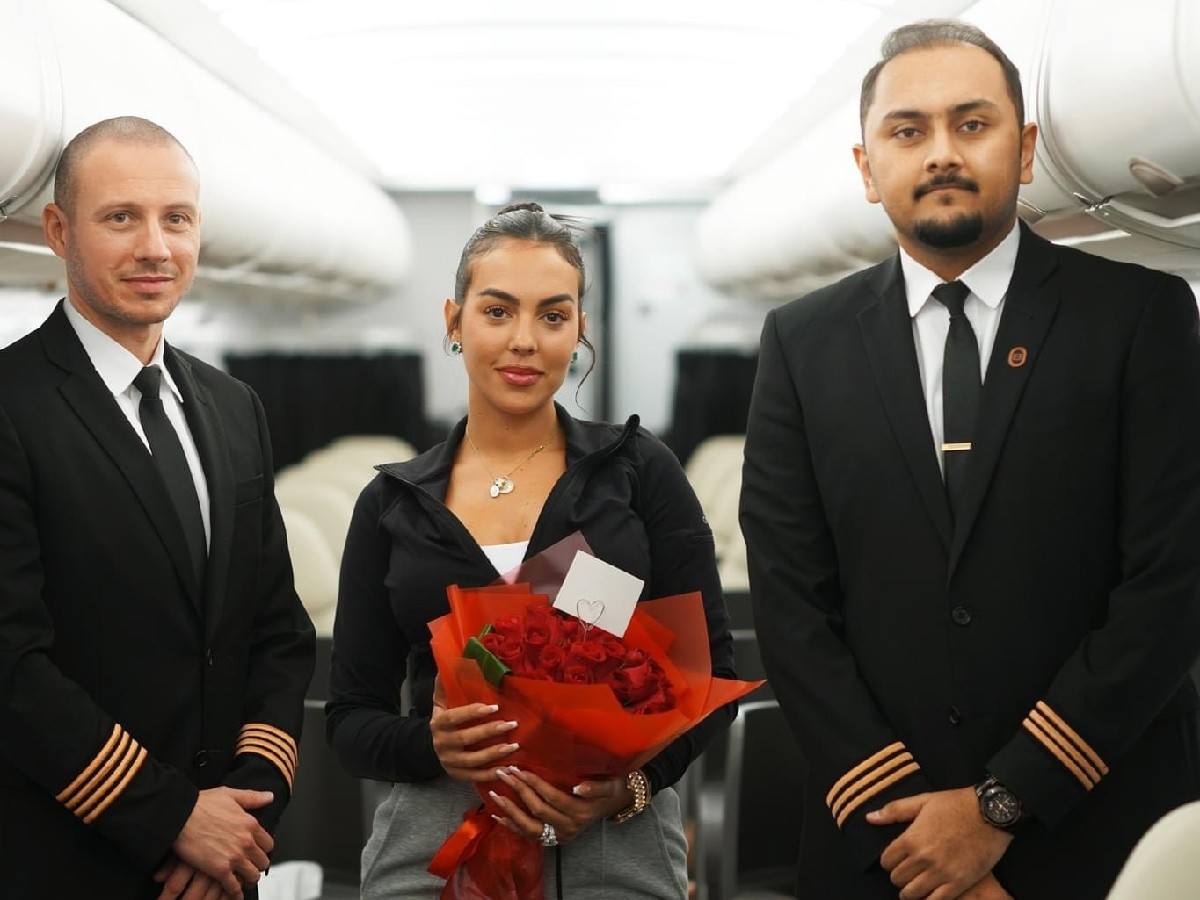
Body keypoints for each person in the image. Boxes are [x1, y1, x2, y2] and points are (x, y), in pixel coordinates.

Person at [740, 19, 1200, 900]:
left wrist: (997, 806)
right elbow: (792, 605)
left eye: (973, 124)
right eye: (908, 131)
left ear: (1025, 151)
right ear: (867, 167)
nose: (941, 153)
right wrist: (918, 835)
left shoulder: (1140, 318)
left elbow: (1170, 586)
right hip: (885, 845)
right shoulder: (802, 343)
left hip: (1097, 828)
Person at [326, 202, 737, 898]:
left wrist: (628, 790)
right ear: (454, 322)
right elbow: (349, 718)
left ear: (580, 328)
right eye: (497, 311)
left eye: (552, 315)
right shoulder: (393, 503)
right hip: (438, 843)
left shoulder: (638, 474)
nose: (525, 340)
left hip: (615, 844)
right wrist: (432, 746)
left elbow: (711, 677)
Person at [0, 117, 315, 899]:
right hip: (68, 858)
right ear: (57, 230)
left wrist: (241, 814)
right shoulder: (10, 404)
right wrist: (172, 818)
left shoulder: (233, 405)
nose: (156, 247)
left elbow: (276, 629)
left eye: (177, 218)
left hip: (226, 861)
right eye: (121, 218)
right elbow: (10, 662)